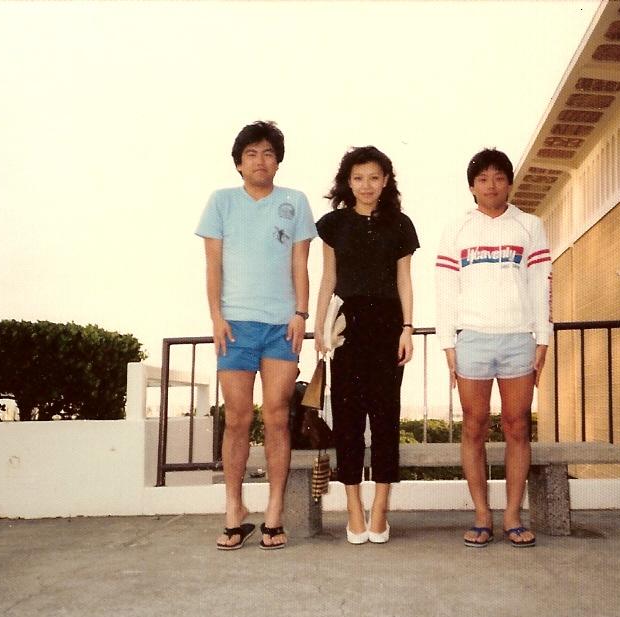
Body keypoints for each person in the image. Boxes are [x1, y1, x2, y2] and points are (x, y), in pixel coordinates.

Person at [196, 121, 317, 550]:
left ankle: (274, 511)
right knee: (238, 418)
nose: (260, 161)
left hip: (281, 325)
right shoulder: (221, 202)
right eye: (251, 154)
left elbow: (300, 264)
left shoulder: (295, 201)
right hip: (236, 325)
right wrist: (217, 317)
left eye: (267, 153)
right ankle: (234, 507)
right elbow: (213, 266)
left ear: (278, 161)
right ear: (238, 163)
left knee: (278, 417)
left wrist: (300, 314)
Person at [435, 148, 552, 548]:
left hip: (519, 337)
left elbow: (540, 283)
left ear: (509, 183)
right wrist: (448, 344)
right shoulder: (457, 229)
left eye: (499, 178)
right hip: (472, 339)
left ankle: (513, 516)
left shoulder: (530, 226)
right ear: (472, 187)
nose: (491, 186)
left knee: (518, 426)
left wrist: (542, 338)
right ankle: (482, 515)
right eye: (482, 179)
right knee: (474, 426)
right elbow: (445, 289)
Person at [314, 146, 419, 545]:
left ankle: (380, 509)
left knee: (386, 416)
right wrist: (319, 328)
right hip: (347, 326)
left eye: (374, 177)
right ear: (348, 181)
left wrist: (407, 328)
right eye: (358, 178)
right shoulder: (333, 224)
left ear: (386, 181)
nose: (366, 185)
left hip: (388, 325)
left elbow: (404, 280)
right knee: (348, 419)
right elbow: (328, 279)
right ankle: (354, 508)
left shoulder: (400, 225)